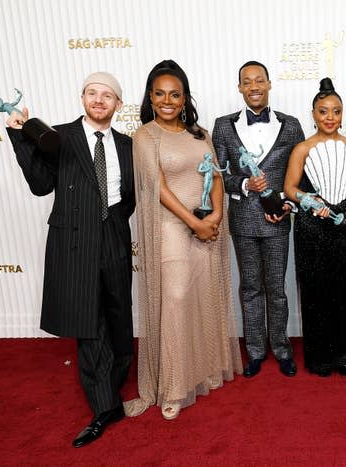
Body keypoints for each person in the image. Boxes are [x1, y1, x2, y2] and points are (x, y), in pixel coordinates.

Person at [5, 72, 134, 447]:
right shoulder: (58, 137)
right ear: (82, 97)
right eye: (92, 93)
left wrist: (113, 224)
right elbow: (41, 184)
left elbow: (129, 196)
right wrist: (19, 135)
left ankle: (114, 385)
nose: (99, 100)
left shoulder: (127, 144)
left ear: (118, 104)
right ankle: (104, 407)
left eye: (107, 95)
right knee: (89, 323)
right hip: (75, 241)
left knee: (118, 315)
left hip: (113, 234)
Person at [124, 60, 242, 420]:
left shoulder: (199, 133)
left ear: (185, 97)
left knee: (202, 296)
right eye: (159, 94)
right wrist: (193, 222)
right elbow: (157, 186)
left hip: (207, 224)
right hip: (171, 227)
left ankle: (203, 370)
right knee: (175, 299)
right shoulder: (145, 136)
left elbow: (217, 177)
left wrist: (217, 216)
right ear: (150, 97)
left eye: (175, 94)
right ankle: (174, 386)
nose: (167, 100)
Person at [213, 61, 304, 378]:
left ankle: (281, 349)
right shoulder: (223, 126)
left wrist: (290, 203)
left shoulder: (291, 126)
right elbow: (218, 177)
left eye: (259, 80)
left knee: (276, 289)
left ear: (269, 84)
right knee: (251, 287)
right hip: (243, 221)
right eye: (246, 81)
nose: (253, 86)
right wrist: (242, 184)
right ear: (239, 87)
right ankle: (254, 351)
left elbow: (300, 176)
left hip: (278, 219)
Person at [283, 78, 346, 376]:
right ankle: (320, 356)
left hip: (345, 223)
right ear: (313, 114)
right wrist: (310, 199)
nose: (330, 117)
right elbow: (290, 188)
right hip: (312, 226)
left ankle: (344, 353)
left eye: (336, 111)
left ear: (342, 114)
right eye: (323, 111)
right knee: (315, 291)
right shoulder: (303, 148)